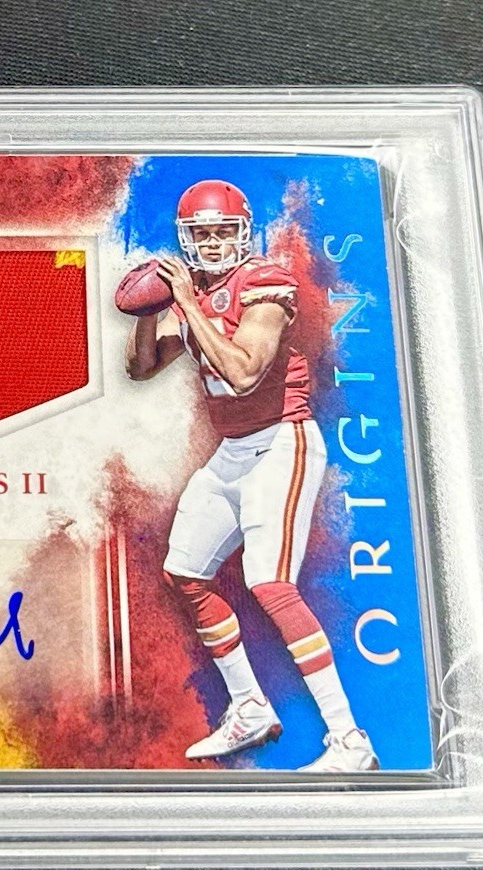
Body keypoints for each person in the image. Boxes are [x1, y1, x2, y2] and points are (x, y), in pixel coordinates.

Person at [122, 179, 377, 771]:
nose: (213, 244)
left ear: (243, 234)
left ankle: (349, 739)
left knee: (270, 584)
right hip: (235, 451)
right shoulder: (196, 293)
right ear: (187, 239)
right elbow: (141, 367)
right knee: (185, 574)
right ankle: (250, 707)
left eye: (222, 232)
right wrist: (148, 311)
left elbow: (242, 373)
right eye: (202, 234)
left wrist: (186, 304)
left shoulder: (264, 283)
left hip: (282, 440)